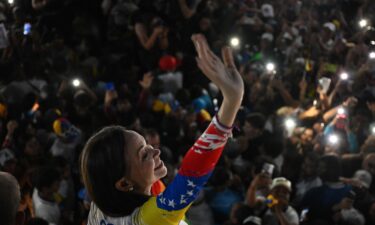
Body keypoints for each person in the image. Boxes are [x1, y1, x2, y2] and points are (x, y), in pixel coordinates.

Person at [80, 33, 244, 225]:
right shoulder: (148, 220)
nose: (155, 150)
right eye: (143, 155)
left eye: (146, 145)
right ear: (124, 184)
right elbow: (192, 172)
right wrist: (233, 99)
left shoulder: (105, 199)